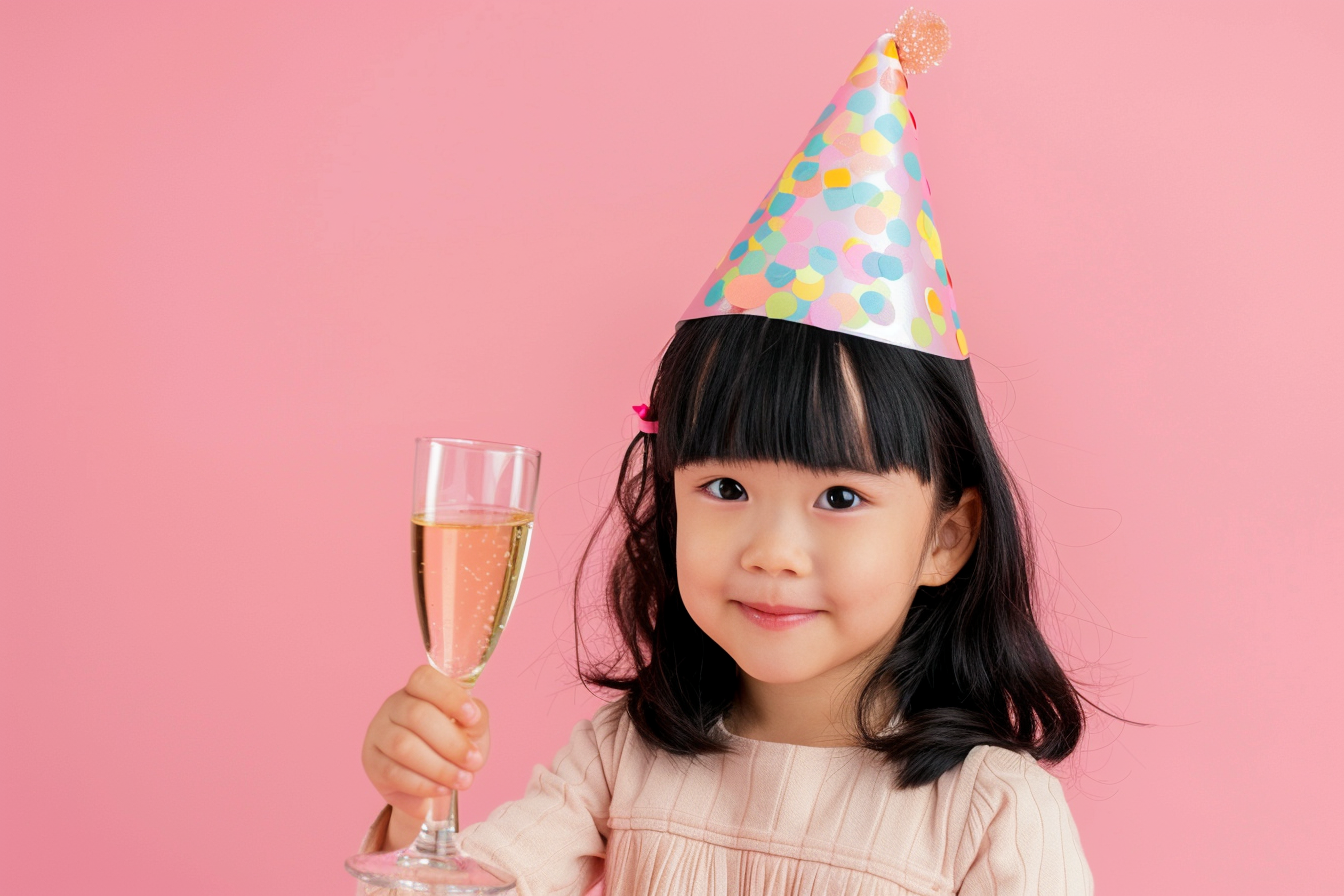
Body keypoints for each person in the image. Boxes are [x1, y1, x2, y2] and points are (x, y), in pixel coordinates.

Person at [355, 9, 1094, 894]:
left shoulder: (991, 811)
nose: (772, 552)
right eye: (726, 487)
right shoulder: (624, 758)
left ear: (946, 537)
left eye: (840, 498)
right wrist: (418, 810)